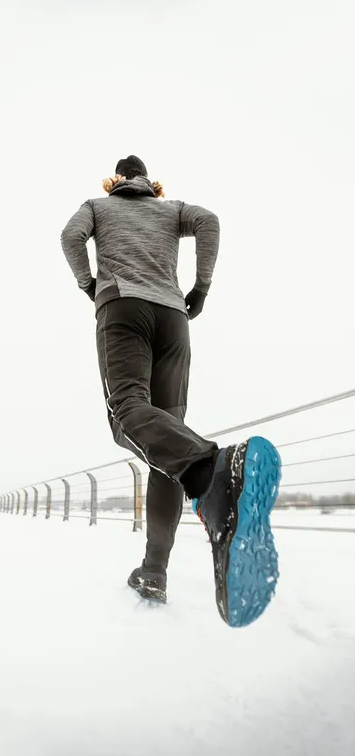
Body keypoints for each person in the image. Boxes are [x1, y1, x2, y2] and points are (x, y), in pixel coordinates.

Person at [61, 155, 281, 628]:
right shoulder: (172, 208)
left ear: (117, 181)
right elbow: (209, 220)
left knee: (127, 414)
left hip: (123, 308)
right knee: (167, 439)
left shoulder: (97, 206)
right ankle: (155, 571)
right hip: (173, 318)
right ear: (150, 183)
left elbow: (70, 237)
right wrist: (200, 287)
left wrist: (90, 284)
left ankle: (211, 471)